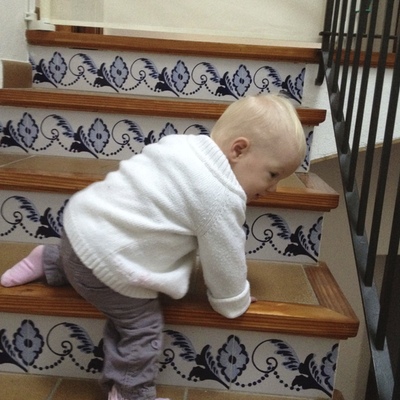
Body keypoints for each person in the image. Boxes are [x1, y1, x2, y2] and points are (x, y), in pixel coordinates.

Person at [1, 94, 306, 400]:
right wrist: (234, 302)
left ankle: (51, 259)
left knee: (101, 251)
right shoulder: (221, 196)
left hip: (77, 233)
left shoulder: (181, 143)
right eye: (273, 174)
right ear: (238, 150)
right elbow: (224, 260)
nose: (273, 189)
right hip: (104, 264)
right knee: (142, 326)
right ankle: (130, 391)